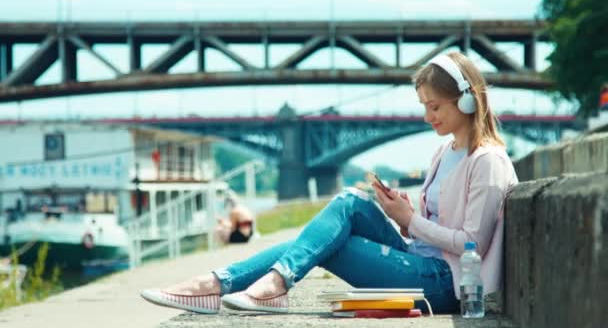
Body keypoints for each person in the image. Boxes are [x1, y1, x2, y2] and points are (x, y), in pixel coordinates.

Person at [140, 52, 518, 315]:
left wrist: (412, 221)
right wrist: (403, 218)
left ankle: (228, 285)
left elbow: (472, 243)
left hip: (446, 285)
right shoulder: (444, 152)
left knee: (329, 244)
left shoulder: (487, 161)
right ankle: (234, 283)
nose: (426, 116)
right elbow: (436, 228)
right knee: (348, 203)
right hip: (420, 258)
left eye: (434, 106)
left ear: (467, 101)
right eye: (424, 106)